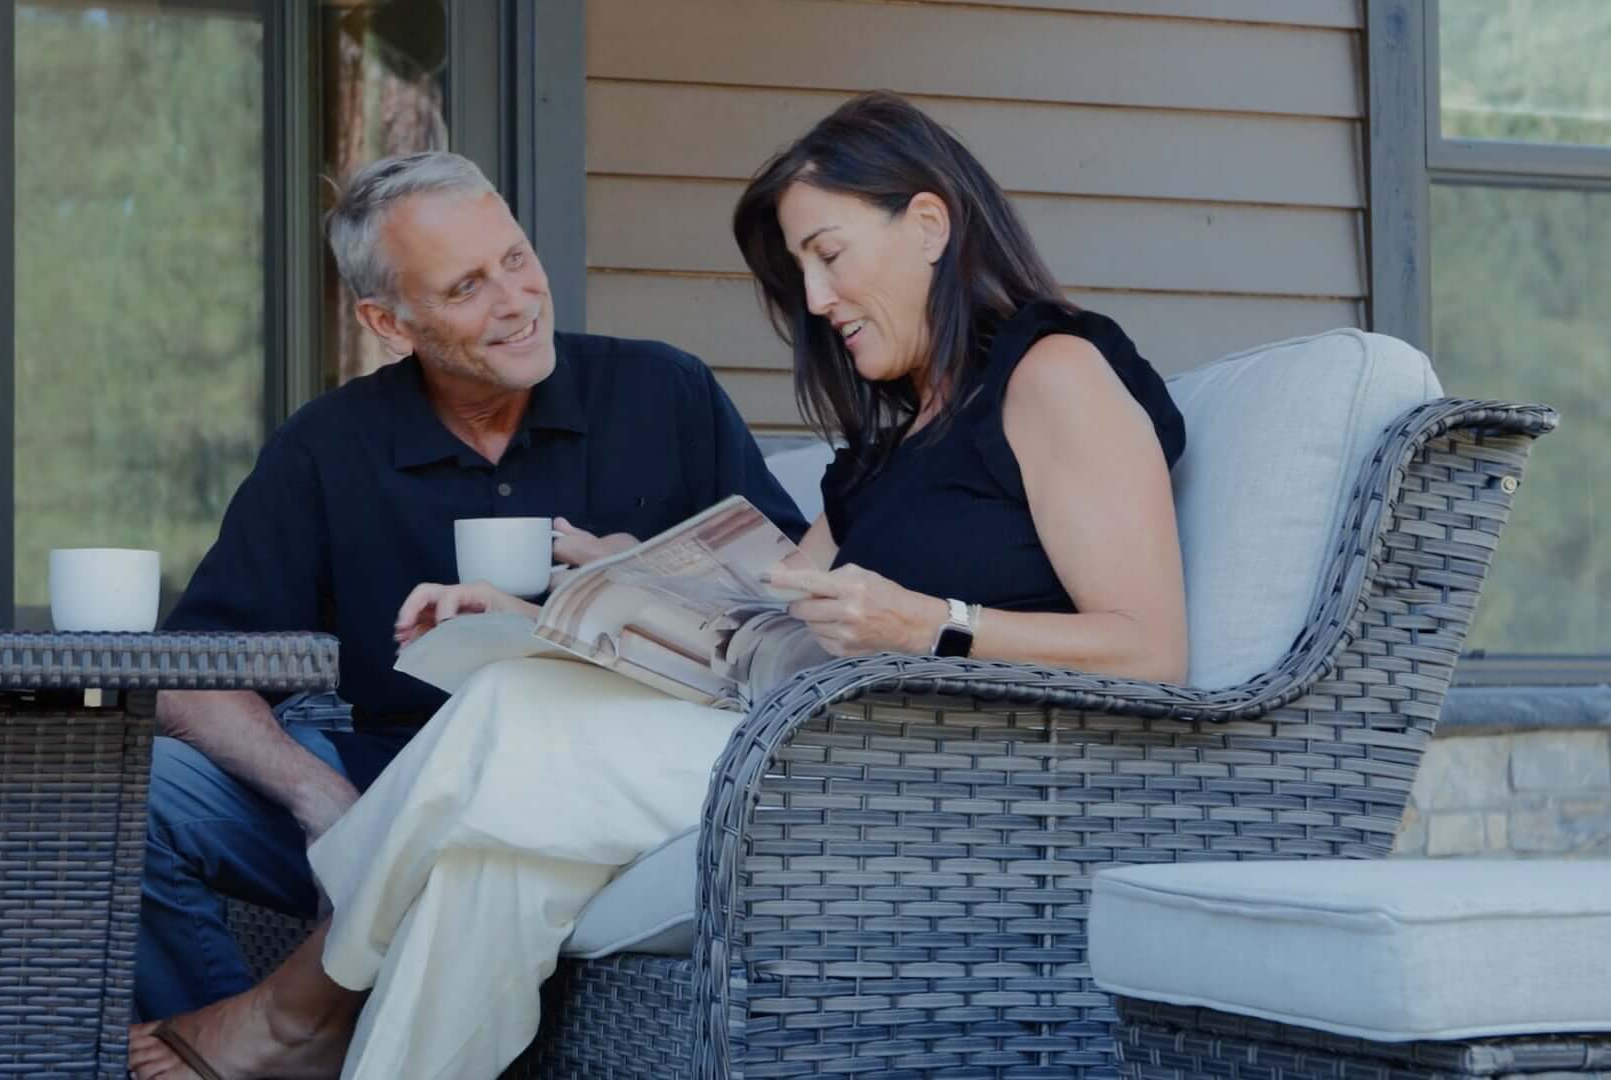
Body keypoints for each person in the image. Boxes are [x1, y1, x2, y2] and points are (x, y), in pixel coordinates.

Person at [129, 90, 1189, 1080]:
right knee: (486, 872)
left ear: (927, 221)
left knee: (514, 705)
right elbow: (766, 610)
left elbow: (1153, 650)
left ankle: (297, 1008)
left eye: (826, 258)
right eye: (802, 272)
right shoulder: (902, 432)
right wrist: (582, 597)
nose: (816, 303)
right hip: (787, 720)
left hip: (893, 763)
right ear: (390, 324)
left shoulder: (1055, 372)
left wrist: (934, 625)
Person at [135, 150, 808, 1023]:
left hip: (599, 787)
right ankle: (225, 1042)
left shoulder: (662, 392)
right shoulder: (329, 446)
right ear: (390, 321)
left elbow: (794, 606)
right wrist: (325, 803)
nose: (518, 302)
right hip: (385, 776)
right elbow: (194, 671)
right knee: (134, 799)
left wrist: (631, 570)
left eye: (517, 259)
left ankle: (286, 1030)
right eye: (466, 289)